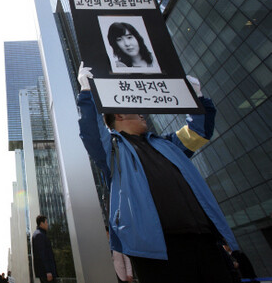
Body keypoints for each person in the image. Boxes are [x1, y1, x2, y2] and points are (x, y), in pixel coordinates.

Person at [77, 63, 239, 283]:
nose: (142, 113)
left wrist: (198, 99)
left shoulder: (168, 144)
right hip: (158, 251)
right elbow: (92, 134)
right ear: (119, 115)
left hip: (206, 241)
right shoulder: (112, 152)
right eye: (135, 109)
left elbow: (198, 132)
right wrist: (88, 93)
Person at [32, 215, 57, 283]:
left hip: (46, 273)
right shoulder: (39, 235)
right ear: (41, 223)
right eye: (46, 222)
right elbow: (42, 255)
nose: (47, 224)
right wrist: (48, 271)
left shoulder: (40, 234)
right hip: (46, 274)